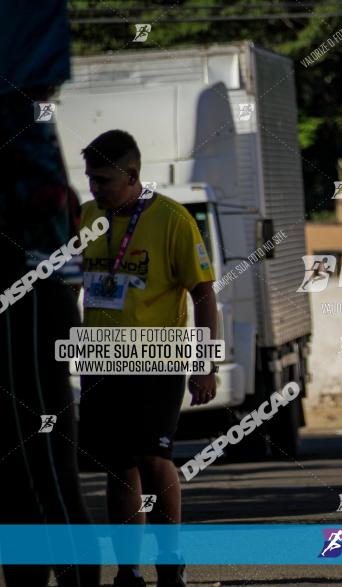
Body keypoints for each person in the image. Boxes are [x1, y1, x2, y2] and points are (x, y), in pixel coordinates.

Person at [76, 130, 218, 587]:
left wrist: (205, 363)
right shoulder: (85, 217)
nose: (94, 189)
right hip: (101, 359)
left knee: (154, 458)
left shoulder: (171, 219)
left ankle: (170, 560)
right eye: (90, 180)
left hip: (158, 356)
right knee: (118, 464)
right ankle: (128, 569)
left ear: (132, 176)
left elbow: (203, 294)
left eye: (102, 180)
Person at [0, 2, 100, 585]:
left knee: (41, 463)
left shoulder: (19, 115)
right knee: (18, 475)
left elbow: (43, 205)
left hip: (29, 289)